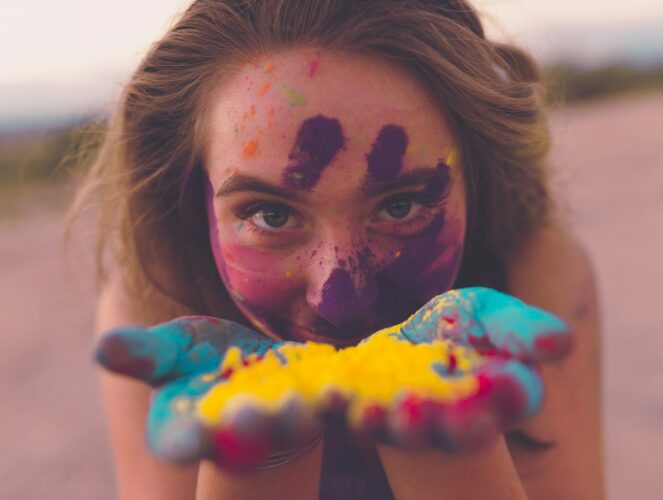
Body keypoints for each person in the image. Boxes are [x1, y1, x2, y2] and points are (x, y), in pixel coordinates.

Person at [71, 0, 604, 498]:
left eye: (400, 207)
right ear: (192, 202)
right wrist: (259, 466)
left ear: (477, 179)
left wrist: (451, 459)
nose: (340, 299)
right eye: (271, 215)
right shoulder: (153, 309)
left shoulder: (538, 281)